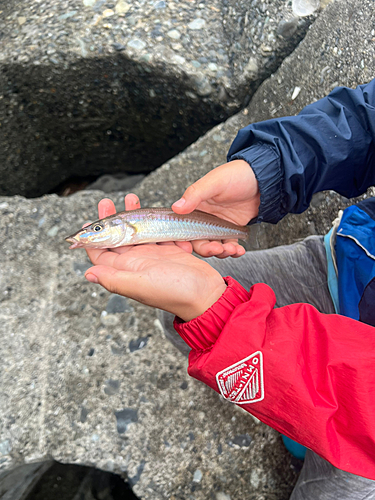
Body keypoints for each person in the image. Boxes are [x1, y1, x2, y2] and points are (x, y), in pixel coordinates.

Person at [83, 79, 375, 499]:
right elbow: (366, 116)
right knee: (178, 315)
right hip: (357, 258)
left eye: (96, 231)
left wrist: (223, 315)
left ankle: (306, 420)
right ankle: (299, 419)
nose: (92, 235)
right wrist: (268, 169)